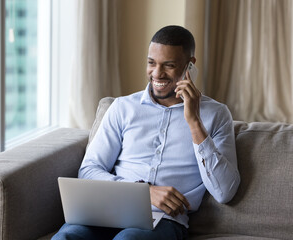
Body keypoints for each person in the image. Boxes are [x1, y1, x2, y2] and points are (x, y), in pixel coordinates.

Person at [52, 25, 240, 240]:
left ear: (190, 65)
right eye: (151, 63)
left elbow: (225, 192)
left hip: (164, 221)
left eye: (168, 65)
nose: (157, 74)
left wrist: (194, 121)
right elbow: (89, 170)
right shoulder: (123, 107)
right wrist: (143, 193)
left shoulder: (216, 114)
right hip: (106, 211)